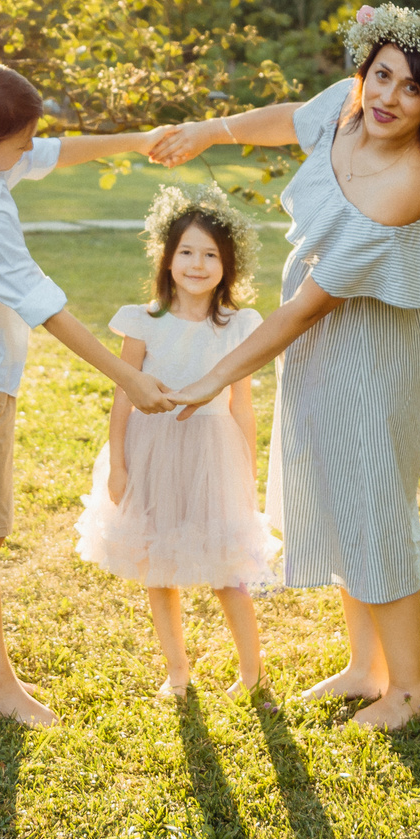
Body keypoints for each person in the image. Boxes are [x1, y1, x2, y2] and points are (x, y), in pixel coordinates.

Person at [147, 5, 420, 731]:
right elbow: (296, 115)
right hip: (323, 344)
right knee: (335, 492)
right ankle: (367, 666)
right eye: (380, 75)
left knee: (374, 502)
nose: (388, 97)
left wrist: (212, 379)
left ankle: (411, 689)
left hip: (372, 352)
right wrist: (212, 130)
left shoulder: (408, 182)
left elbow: (302, 309)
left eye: (412, 88)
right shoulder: (351, 108)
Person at [0, 61, 174, 728]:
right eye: (19, 143)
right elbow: (50, 309)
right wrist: (130, 378)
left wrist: (136, 137)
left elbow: (53, 153)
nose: (29, 151)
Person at [72, 185, 278, 698]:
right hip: (151, 448)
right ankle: (178, 671)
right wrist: (118, 464)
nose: (197, 263)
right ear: (166, 260)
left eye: (210, 255)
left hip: (213, 452)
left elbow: (241, 404)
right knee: (157, 563)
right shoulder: (142, 321)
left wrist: (247, 469)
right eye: (186, 251)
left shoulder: (239, 326)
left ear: (227, 267)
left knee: (227, 568)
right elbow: (124, 397)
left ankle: (251, 672)